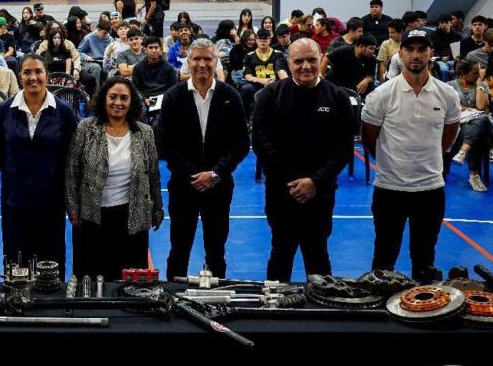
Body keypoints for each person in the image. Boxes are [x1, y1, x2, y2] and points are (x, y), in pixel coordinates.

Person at [361, 29, 461, 282]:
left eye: (422, 49)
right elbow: (369, 139)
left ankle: (423, 313)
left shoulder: (447, 94)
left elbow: (450, 133)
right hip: (389, 189)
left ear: (431, 54)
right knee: (384, 256)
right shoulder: (381, 95)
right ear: (400, 53)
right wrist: (390, 163)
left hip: (430, 190)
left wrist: (430, 156)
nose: (416, 55)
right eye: (410, 49)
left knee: (425, 257)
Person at [252, 38, 354, 281]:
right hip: (281, 192)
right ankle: (275, 312)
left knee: (318, 255)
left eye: (311, 60)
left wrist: (315, 182)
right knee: (280, 253)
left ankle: (322, 308)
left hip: (321, 193)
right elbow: (261, 142)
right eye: (298, 61)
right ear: (289, 63)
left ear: (321, 61)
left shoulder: (337, 98)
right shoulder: (270, 96)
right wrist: (291, 181)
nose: (305, 66)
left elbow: (344, 147)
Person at [158, 38, 249, 279]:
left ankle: (218, 298)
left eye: (207, 58)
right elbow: (165, 144)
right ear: (188, 62)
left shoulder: (231, 96)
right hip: (183, 186)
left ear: (216, 60)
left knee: (216, 250)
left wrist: (216, 173)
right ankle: (173, 300)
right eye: (196, 59)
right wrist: (194, 174)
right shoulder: (173, 97)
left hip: (219, 187)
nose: (202, 64)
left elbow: (241, 142)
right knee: (179, 249)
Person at [66, 77, 163, 280]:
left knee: (128, 280)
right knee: (90, 278)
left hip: (131, 216)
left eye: (124, 98)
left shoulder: (145, 133)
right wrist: (73, 207)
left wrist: (157, 208)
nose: (118, 102)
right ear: (103, 99)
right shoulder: (85, 128)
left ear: (131, 102)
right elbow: (72, 170)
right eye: (113, 97)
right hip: (92, 216)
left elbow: (153, 173)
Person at [0, 54, 78, 274]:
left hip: (51, 200)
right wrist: (15, 171)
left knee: (51, 260)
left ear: (46, 75)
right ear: (20, 76)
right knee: (15, 258)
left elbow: (72, 153)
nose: (33, 77)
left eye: (38, 71)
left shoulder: (64, 112)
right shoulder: (5, 110)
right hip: (14, 200)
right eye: (27, 72)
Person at [447, 59, 491, 192]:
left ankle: (463, 152)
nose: (479, 75)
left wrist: (479, 86)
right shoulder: (449, 86)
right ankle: (474, 174)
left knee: (481, 121)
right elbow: (450, 108)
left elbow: (481, 107)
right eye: (475, 73)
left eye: (479, 72)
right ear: (462, 74)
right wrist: (469, 110)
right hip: (456, 122)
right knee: (477, 129)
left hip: (475, 123)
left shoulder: (482, 85)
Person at [240, 28, 288, 116]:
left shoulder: (278, 54)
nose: (263, 41)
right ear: (256, 40)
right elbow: (247, 75)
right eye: (260, 38)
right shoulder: (249, 56)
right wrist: (261, 80)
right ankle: (245, 117)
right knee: (246, 89)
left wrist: (274, 82)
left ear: (270, 40)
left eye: (265, 38)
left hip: (275, 84)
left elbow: (284, 72)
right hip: (257, 85)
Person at [132, 36, 177, 103]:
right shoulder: (138, 68)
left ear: (160, 49)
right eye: (150, 48)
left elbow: (173, 87)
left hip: (164, 99)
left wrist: (166, 99)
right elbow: (135, 88)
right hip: (145, 99)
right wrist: (144, 99)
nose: (153, 51)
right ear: (145, 50)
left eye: (156, 47)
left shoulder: (169, 68)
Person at [432, 14, 464, 81]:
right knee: (443, 69)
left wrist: (450, 57)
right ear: (439, 24)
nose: (444, 25)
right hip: (439, 60)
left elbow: (457, 52)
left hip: (453, 60)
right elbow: (433, 51)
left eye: (446, 22)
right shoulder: (433, 36)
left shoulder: (457, 37)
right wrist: (441, 58)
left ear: (450, 23)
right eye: (442, 23)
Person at [377, 18, 405, 83]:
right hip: (391, 77)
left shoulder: (408, 44)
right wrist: (383, 83)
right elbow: (382, 65)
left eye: (393, 33)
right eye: (389, 32)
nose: (390, 35)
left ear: (401, 31)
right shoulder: (386, 44)